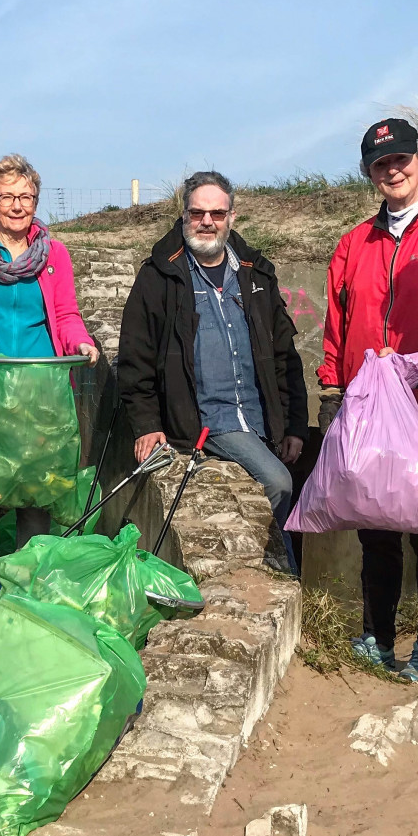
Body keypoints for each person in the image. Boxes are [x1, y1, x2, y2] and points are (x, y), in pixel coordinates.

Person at [319, 118, 418, 685]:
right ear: (369, 172)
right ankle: (376, 638)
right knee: (376, 528)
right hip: (369, 404)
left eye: (402, 159)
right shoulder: (353, 243)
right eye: (381, 163)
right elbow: (337, 322)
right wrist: (335, 386)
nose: (394, 170)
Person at [118, 171, 308, 566]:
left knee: (298, 485)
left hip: (261, 418)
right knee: (277, 482)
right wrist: (147, 424)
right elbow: (135, 359)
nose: (207, 222)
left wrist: (293, 426)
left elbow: (284, 355)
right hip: (209, 420)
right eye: (198, 213)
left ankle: (286, 581)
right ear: (184, 215)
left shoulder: (256, 273)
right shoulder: (160, 275)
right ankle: (276, 574)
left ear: (231, 217)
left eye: (217, 214)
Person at [0, 153, 99, 591]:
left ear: (36, 200)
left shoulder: (55, 255)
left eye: (25, 196)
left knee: (37, 487)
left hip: (40, 393)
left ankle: (26, 580)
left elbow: (66, 315)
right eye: (6, 196)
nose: (16, 205)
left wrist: (81, 342)